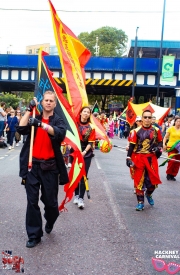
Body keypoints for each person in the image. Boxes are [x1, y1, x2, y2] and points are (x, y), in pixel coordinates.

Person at [16, 91, 69, 248]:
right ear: (42, 102)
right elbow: (20, 128)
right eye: (45, 100)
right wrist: (29, 108)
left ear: (54, 104)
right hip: (32, 166)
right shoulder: (34, 116)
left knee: (51, 204)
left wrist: (41, 125)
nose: (48, 102)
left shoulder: (58, 120)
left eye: (51, 101)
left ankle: (50, 220)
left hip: (50, 168)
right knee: (32, 202)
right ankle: (34, 235)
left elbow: (59, 133)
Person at [126, 110, 163, 211]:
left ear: (152, 119)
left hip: (151, 159)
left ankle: (149, 194)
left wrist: (158, 148)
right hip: (139, 159)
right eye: (145, 117)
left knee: (153, 183)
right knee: (139, 182)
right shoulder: (135, 131)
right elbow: (132, 146)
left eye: (149, 117)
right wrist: (128, 158)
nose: (147, 119)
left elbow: (160, 142)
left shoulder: (156, 130)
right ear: (142, 119)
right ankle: (140, 203)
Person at [73, 106, 95, 209]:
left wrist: (85, 151)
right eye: (84, 111)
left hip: (86, 153)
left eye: (88, 112)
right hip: (75, 152)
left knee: (83, 175)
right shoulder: (74, 124)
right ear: (81, 113)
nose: (86, 113)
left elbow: (91, 142)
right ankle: (76, 195)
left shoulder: (91, 127)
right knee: (76, 175)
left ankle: (81, 198)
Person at [163, 117, 180, 181]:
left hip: (179, 148)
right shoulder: (171, 129)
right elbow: (165, 137)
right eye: (178, 121)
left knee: (177, 162)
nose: (179, 123)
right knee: (172, 160)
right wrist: (164, 144)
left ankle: (173, 175)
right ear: (175, 122)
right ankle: (168, 173)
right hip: (171, 147)